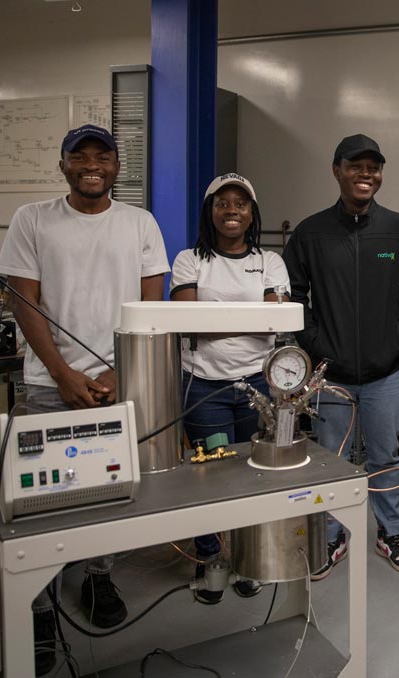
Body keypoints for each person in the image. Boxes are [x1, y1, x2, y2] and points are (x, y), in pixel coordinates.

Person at [0, 124, 169, 675]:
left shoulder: (139, 222)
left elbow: (152, 302)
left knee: (111, 489)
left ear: (117, 166)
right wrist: (62, 373)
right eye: (80, 156)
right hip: (50, 385)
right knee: (41, 503)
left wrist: (122, 369)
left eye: (103, 156)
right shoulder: (33, 219)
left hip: (119, 382)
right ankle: (40, 608)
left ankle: (97, 575)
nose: (92, 165)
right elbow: (25, 302)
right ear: (64, 164)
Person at [282, 134, 399, 577]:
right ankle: (332, 536)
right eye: (356, 166)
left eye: (374, 167)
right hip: (331, 374)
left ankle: (390, 533)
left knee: (386, 455)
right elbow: (293, 294)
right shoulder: (312, 233)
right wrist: (314, 342)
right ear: (337, 170)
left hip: (386, 372)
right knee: (333, 459)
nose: (365, 174)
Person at [169, 172, 290, 604]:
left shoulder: (270, 261)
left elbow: (276, 319)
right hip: (204, 386)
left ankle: (247, 559)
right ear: (210, 211)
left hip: (257, 383)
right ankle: (209, 558)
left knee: (253, 474)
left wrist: (215, 315)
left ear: (252, 212)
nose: (232, 210)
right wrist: (250, 315)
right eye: (223, 203)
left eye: (241, 203)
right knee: (211, 474)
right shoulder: (189, 260)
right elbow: (187, 320)